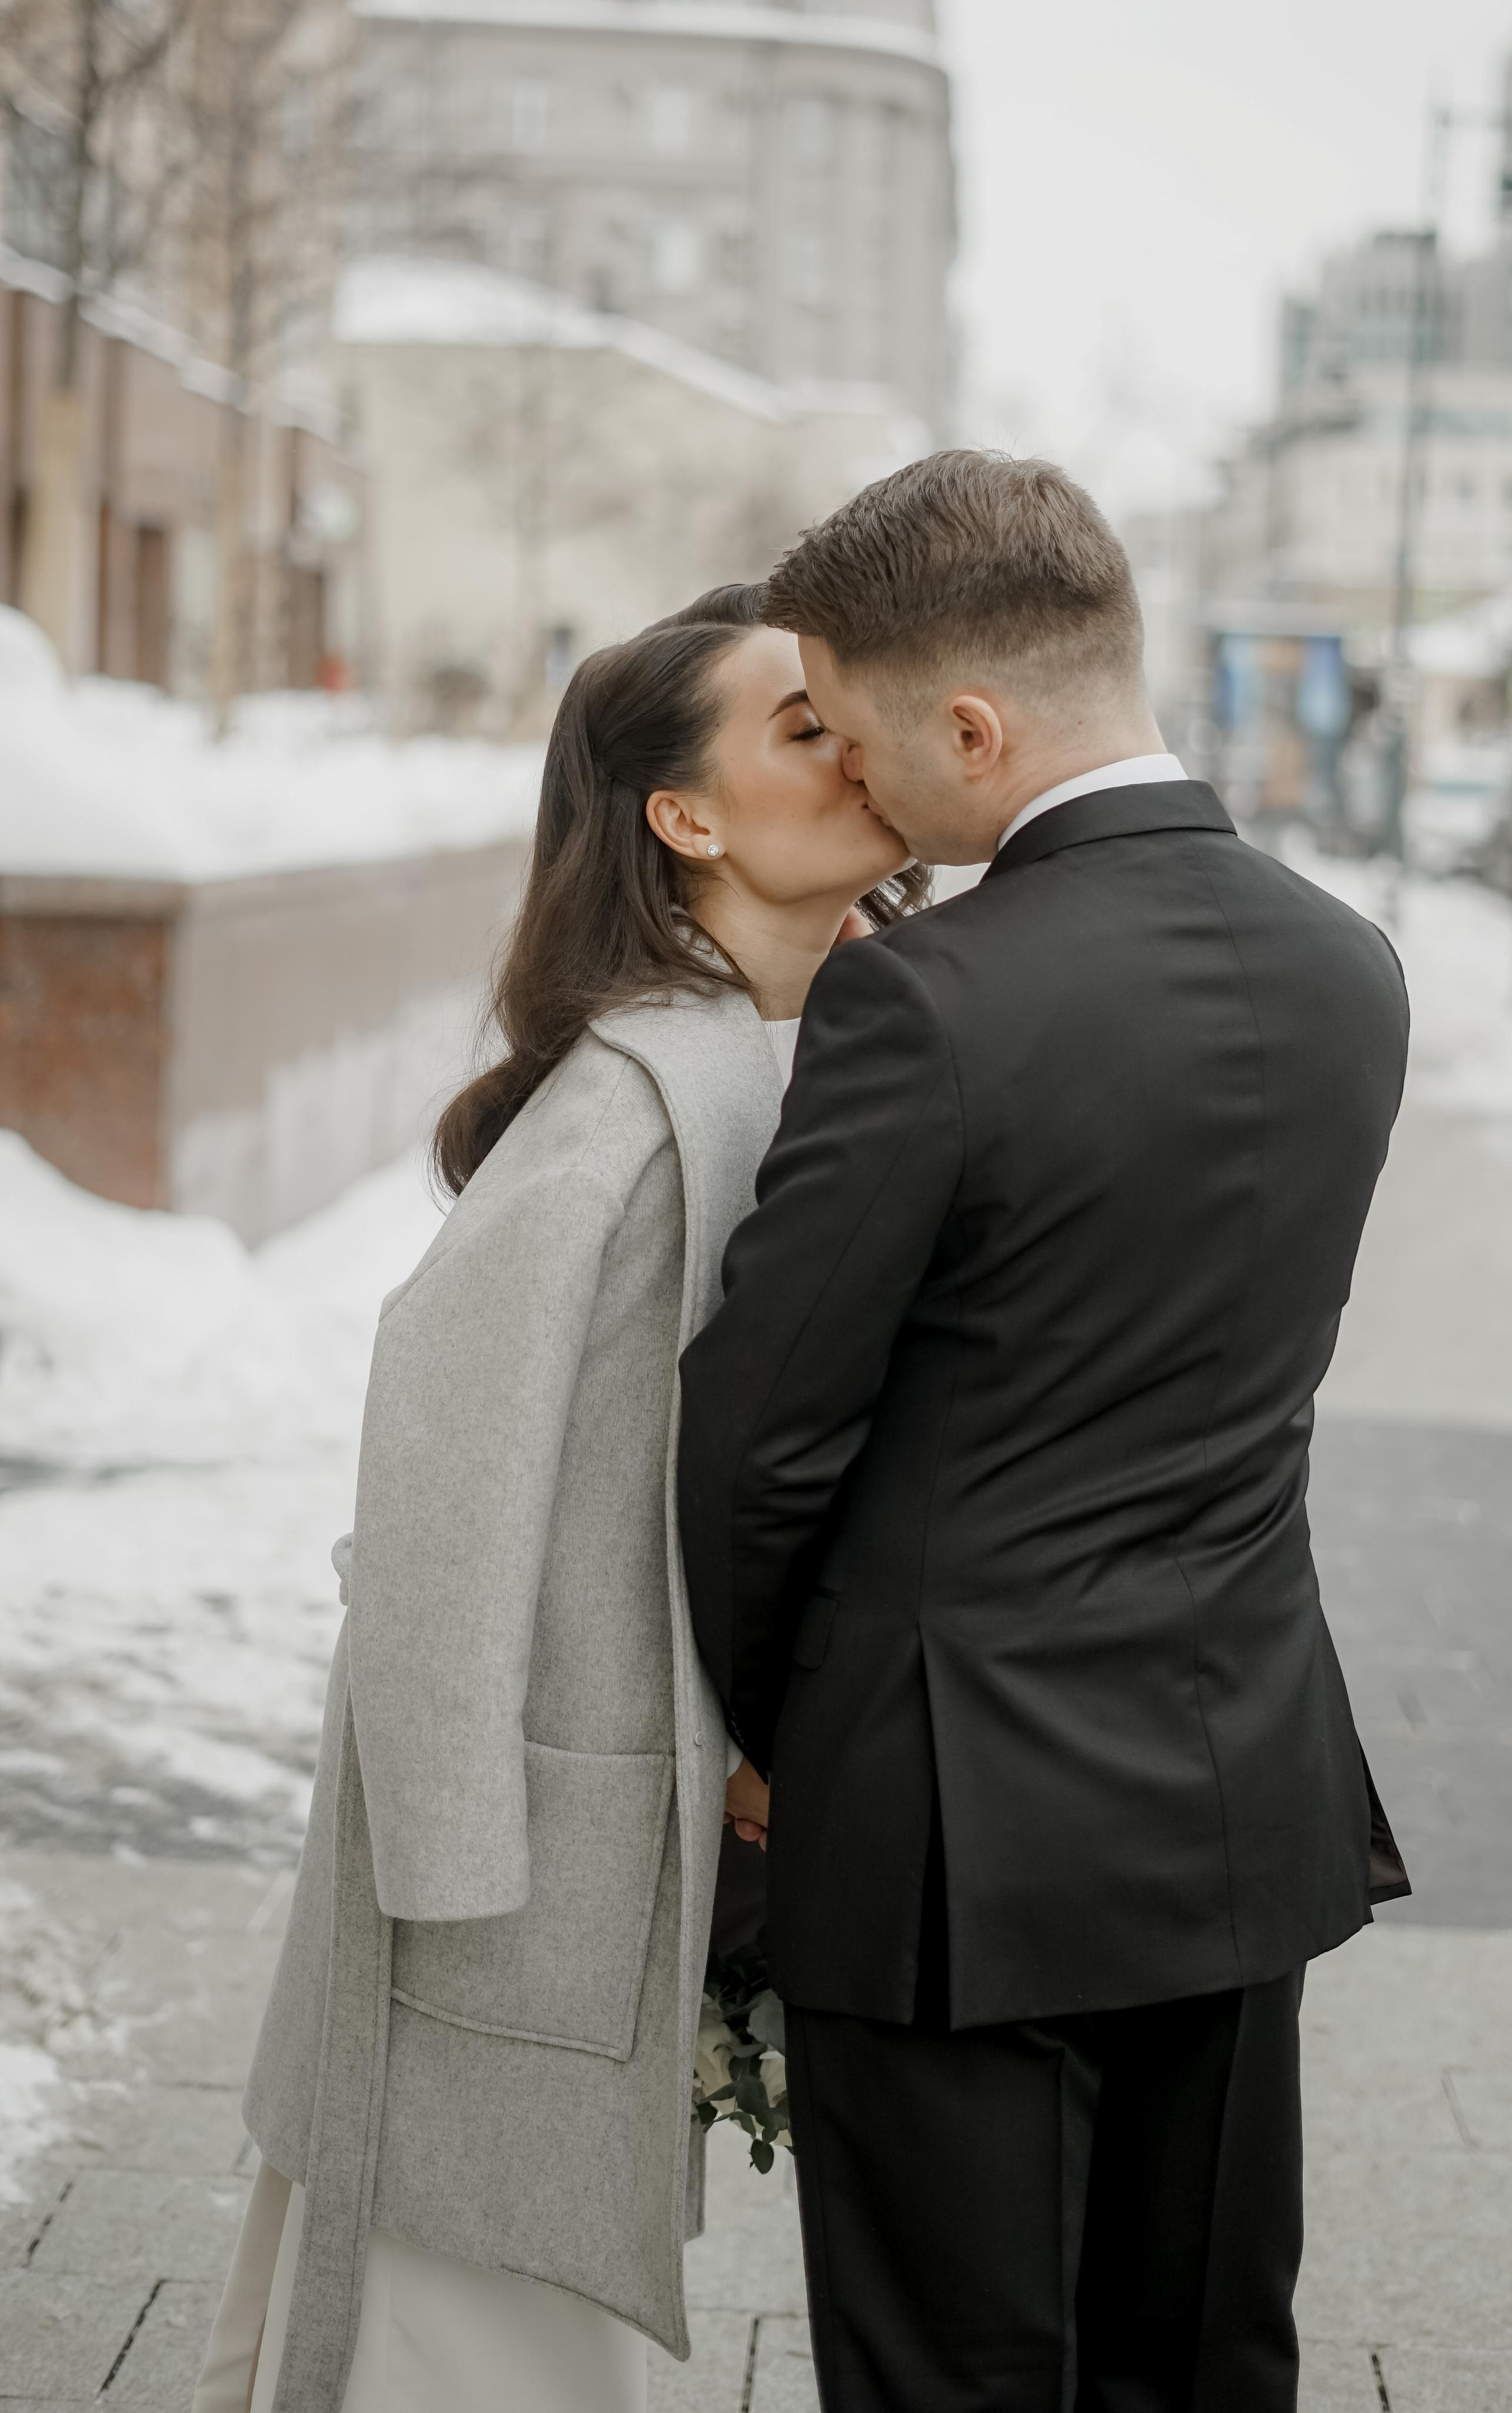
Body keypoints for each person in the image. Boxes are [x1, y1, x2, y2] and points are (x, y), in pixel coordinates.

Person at [677, 454, 1412, 2413]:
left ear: (976, 726)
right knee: (1199, 2359)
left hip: (944, 1832)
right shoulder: (1355, 969)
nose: (854, 781)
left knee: (954, 2374)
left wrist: (769, 1736)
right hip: (1242, 1791)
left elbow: (761, 1445)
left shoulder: (924, 1003)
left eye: (848, 727)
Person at [190, 583, 920, 2413]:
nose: (855, 751)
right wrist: (450, 1889)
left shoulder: (793, 1052)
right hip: (514, 1871)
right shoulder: (632, 1109)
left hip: (601, 1846)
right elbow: (440, 1492)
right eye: (800, 728)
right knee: (465, 2328)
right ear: (685, 816)